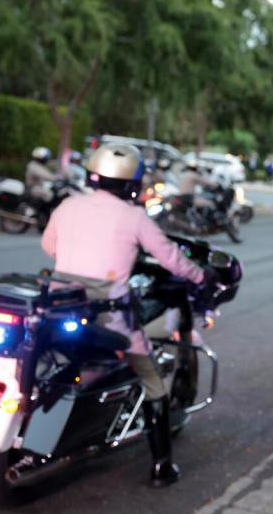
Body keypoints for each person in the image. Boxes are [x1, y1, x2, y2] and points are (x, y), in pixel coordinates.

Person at [41, 143, 212, 487]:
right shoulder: (134, 217)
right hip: (110, 317)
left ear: (92, 174)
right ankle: (162, 467)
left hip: (60, 308)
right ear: (132, 183)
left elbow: (49, 245)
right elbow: (171, 259)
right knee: (152, 378)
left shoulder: (69, 205)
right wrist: (201, 276)